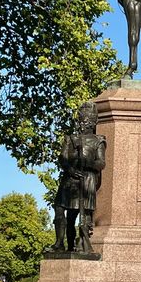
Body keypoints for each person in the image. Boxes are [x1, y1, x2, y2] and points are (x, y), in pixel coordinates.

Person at [47, 102, 106, 254]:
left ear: (93, 122)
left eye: (86, 121)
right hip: (69, 179)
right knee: (60, 209)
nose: (83, 123)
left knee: (84, 214)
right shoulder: (70, 138)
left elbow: (101, 163)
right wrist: (70, 169)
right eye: (81, 120)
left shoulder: (98, 140)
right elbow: (63, 158)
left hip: (86, 180)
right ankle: (60, 243)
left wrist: (88, 163)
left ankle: (82, 242)